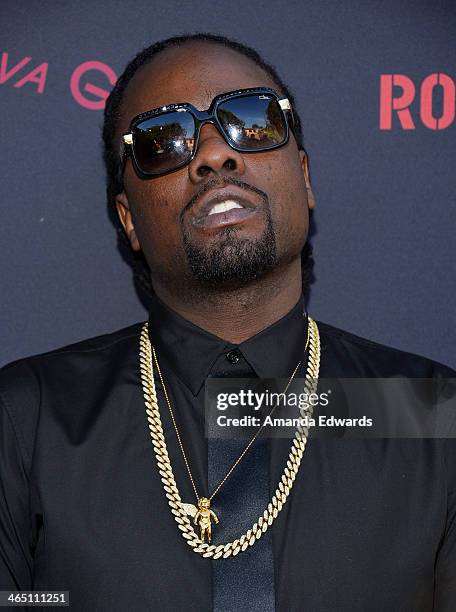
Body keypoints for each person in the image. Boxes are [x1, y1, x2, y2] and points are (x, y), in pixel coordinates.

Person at [0, 33, 455, 612]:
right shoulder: (27, 420)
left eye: (251, 120)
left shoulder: (431, 411)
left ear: (306, 178)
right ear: (128, 220)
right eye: (165, 142)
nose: (215, 155)